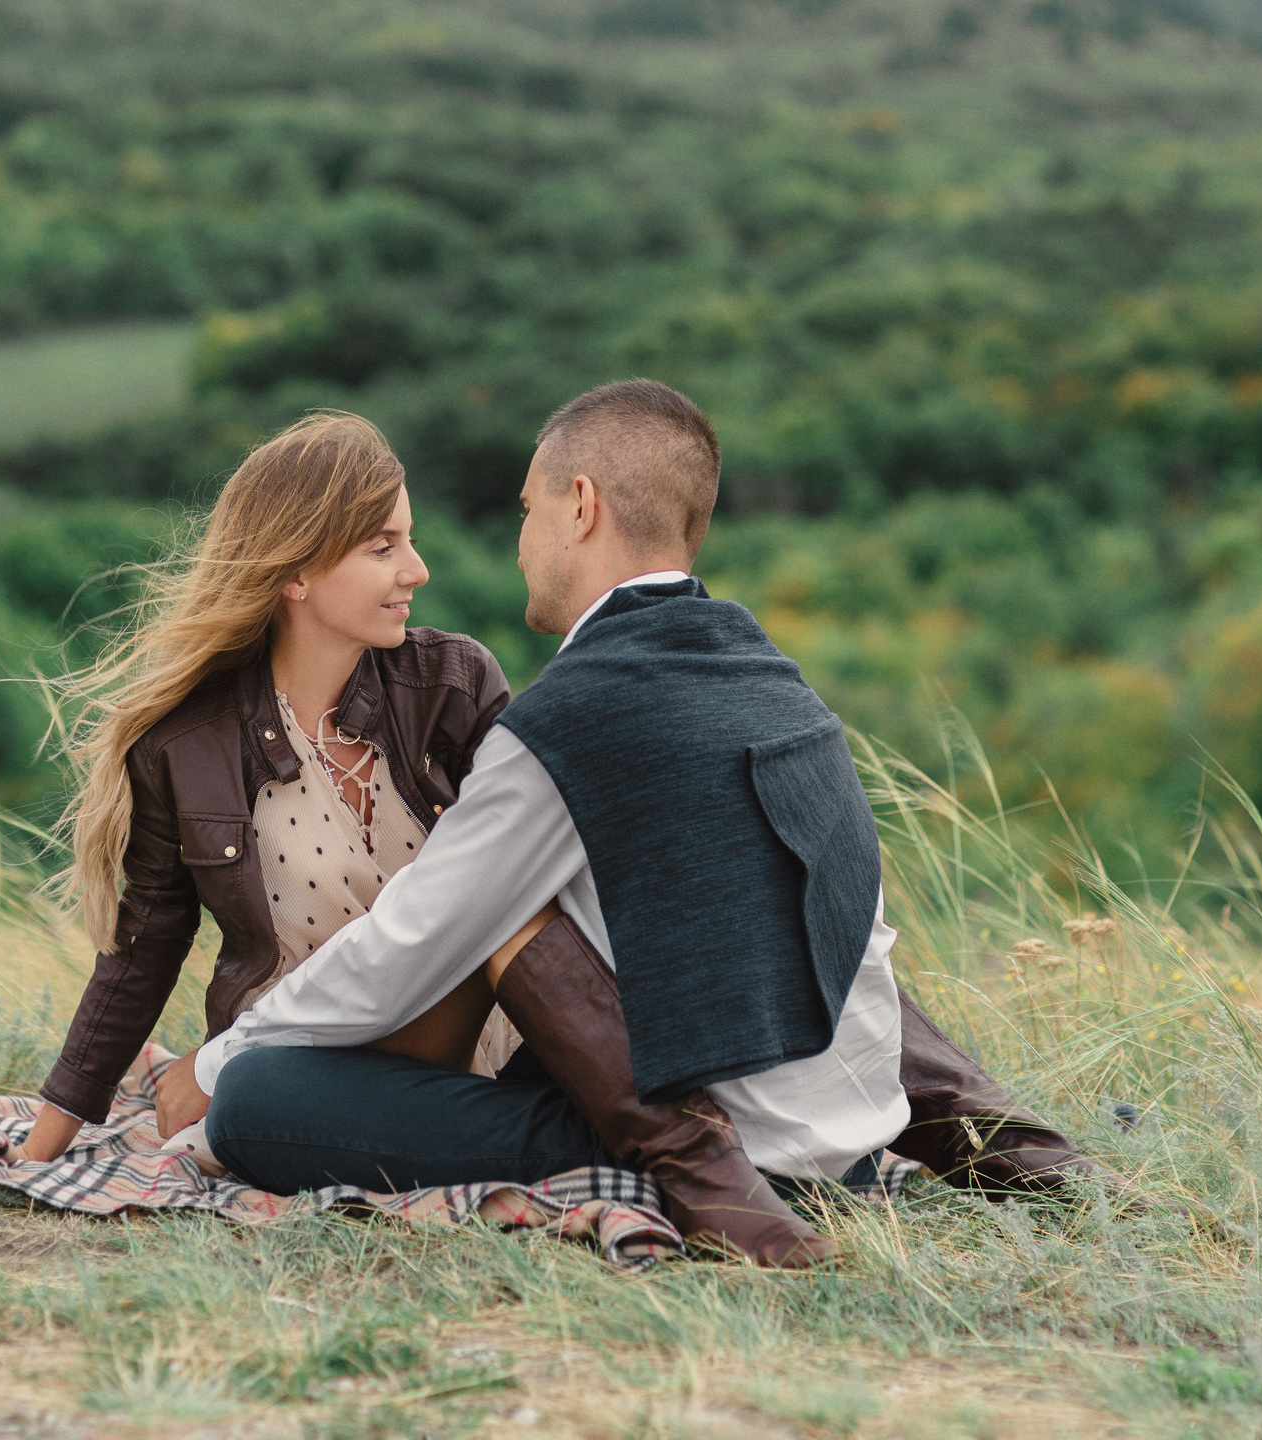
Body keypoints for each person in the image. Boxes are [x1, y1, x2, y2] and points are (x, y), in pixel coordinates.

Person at [151, 380, 1111, 1267]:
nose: (520, 544)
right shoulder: (780, 689)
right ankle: (1037, 1163)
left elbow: (408, 943)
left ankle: (680, 1175)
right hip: (855, 1145)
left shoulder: (568, 724)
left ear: (581, 505)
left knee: (256, 1104)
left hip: (741, 1156)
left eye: (527, 511)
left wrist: (222, 1057)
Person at [16, 411, 569, 1168]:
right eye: (383, 547)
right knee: (244, 1108)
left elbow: (526, 882)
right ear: (297, 574)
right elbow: (142, 954)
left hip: (478, 1046)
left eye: (408, 540)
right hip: (302, 1067)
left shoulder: (453, 684)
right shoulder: (184, 746)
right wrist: (39, 1149)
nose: (417, 570)